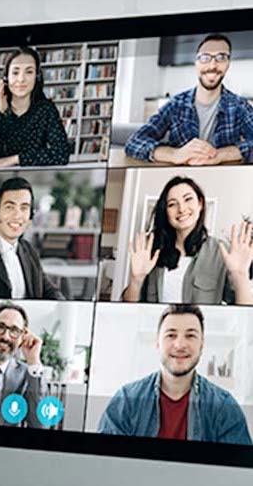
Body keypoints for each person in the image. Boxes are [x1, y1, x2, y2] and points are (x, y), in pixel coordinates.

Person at [98, 306, 251, 444]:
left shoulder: (224, 407)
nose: (180, 345)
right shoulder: (126, 400)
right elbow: (104, 464)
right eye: (171, 335)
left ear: (202, 345)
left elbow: (237, 473)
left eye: (190, 336)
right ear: (157, 343)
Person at [121, 175, 253, 304]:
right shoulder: (152, 250)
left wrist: (240, 276)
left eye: (188, 199)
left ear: (200, 204)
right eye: (172, 204)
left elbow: (244, 312)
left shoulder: (220, 252)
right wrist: (136, 280)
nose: (182, 209)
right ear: (165, 212)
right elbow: (129, 307)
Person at [124, 34, 253, 166]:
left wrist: (220, 155)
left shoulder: (240, 106)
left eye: (221, 57)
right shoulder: (175, 105)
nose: (212, 65)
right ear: (196, 63)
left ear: (228, 64)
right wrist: (175, 154)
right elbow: (134, 142)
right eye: (205, 57)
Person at [0, 46, 72, 169]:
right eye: (15, 72)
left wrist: (15, 159)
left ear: (37, 77)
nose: (21, 79)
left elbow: (62, 154)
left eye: (29, 72)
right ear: (6, 78)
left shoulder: (46, 110)